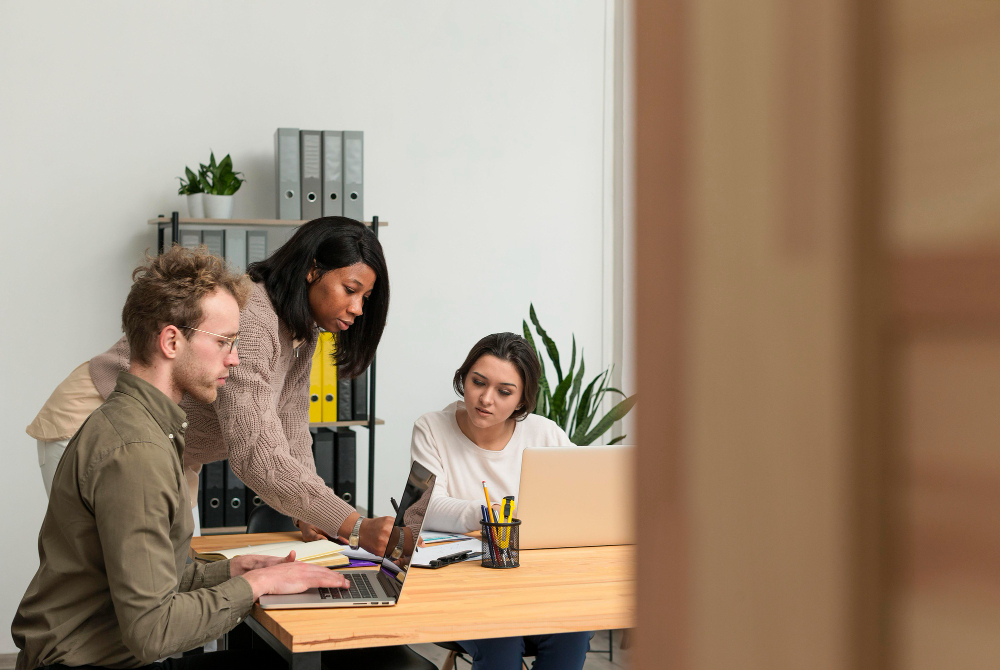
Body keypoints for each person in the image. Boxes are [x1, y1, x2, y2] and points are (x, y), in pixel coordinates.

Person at [12, 246, 350, 670]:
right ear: (172, 340)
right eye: (225, 342)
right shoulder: (136, 454)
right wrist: (261, 583)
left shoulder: (150, 427)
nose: (235, 358)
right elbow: (155, 630)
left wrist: (235, 571)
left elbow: (156, 581)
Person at [26, 217, 395, 554]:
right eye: (351, 289)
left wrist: (310, 512)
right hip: (97, 422)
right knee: (118, 579)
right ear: (313, 270)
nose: (358, 308)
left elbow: (291, 430)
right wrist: (355, 525)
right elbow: (255, 452)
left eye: (365, 297)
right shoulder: (252, 319)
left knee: (183, 572)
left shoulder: (302, 335)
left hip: (170, 448)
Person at [410, 332, 591, 670]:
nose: (485, 398)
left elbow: (582, 499)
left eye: (504, 392)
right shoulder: (432, 428)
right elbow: (425, 507)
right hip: (468, 591)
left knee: (573, 631)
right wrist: (487, 513)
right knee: (501, 638)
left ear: (522, 400)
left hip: (536, 589)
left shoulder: (545, 435)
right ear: (463, 379)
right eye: (478, 382)